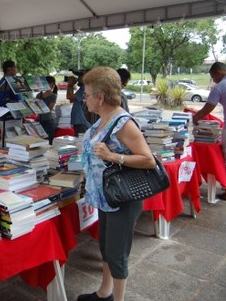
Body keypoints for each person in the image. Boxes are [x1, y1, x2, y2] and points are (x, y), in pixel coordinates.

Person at [79, 66, 155, 301]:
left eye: (87, 94)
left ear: (100, 97)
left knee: (117, 253)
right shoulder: (105, 118)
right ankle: (105, 292)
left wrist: (113, 156)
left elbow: (148, 160)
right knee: (106, 248)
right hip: (107, 197)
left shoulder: (123, 123)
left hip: (123, 198)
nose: (85, 99)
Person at [193, 62, 226, 202]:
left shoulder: (220, 87)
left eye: (213, 77)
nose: (214, 80)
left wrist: (192, 120)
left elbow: (207, 109)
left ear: (219, 72)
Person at [66, 70, 91, 137]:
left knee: (80, 142)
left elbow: (69, 96)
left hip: (81, 121)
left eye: (81, 76)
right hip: (79, 120)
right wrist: (71, 85)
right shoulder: (82, 88)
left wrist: (70, 85)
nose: (79, 78)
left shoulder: (85, 88)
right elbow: (71, 99)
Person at [36, 76, 58, 144]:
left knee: (48, 141)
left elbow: (49, 109)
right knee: (39, 141)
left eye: (48, 83)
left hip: (48, 121)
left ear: (52, 84)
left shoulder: (53, 96)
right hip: (39, 120)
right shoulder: (39, 95)